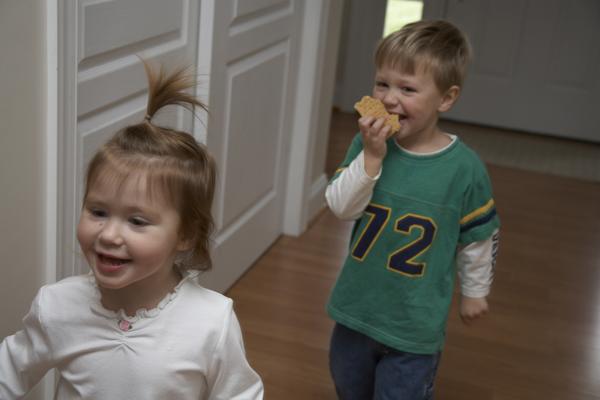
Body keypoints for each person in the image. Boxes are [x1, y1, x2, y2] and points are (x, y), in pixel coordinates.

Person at [0, 61, 264, 399]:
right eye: (98, 212)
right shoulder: (57, 307)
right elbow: (8, 371)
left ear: (186, 234)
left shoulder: (211, 322)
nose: (109, 235)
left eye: (137, 221)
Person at [326, 20, 500, 399]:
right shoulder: (366, 144)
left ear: (445, 99)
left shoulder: (464, 169)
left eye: (407, 89)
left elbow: (478, 236)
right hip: (356, 309)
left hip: (414, 324)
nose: (389, 99)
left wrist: (475, 291)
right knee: (348, 384)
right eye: (382, 84)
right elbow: (341, 207)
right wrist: (372, 158)